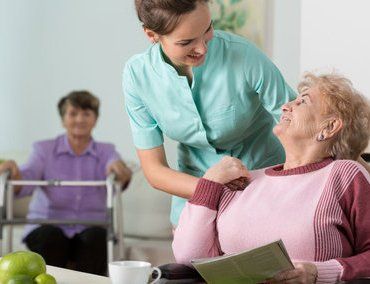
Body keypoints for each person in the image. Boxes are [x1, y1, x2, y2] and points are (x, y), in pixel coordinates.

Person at [172, 73, 370, 283]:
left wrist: (318, 272)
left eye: (303, 101)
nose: (286, 106)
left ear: (329, 127)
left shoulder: (344, 174)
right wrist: (209, 183)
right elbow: (187, 258)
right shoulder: (243, 181)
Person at [123, 0, 296, 226]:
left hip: (265, 181)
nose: (203, 48)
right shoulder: (137, 77)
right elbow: (154, 170)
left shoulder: (242, 55)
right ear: (152, 34)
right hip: (196, 191)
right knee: (190, 259)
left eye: (207, 29)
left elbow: (298, 123)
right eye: (186, 42)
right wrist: (212, 186)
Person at [0, 91, 132, 275]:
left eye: (86, 114)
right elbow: (25, 181)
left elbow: (117, 170)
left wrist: (121, 170)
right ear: (63, 120)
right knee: (50, 237)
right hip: (47, 227)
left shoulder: (106, 151)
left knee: (96, 238)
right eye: (73, 113)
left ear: (95, 119)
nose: (80, 119)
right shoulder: (43, 149)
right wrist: (13, 171)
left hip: (91, 228)